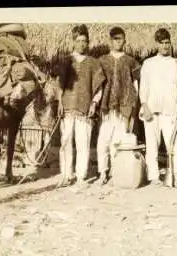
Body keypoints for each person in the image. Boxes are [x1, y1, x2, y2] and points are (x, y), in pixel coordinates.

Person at [58, 24, 106, 188]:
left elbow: (99, 87)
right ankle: (66, 175)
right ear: (73, 42)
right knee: (65, 142)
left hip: (85, 109)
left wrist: (94, 103)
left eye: (84, 41)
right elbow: (59, 85)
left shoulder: (93, 63)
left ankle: (80, 177)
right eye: (78, 41)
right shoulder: (65, 61)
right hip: (67, 107)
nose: (82, 44)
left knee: (83, 143)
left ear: (88, 42)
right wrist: (59, 103)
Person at [138, 28, 177, 187]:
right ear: (157, 44)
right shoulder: (149, 63)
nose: (165, 46)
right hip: (151, 111)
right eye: (162, 43)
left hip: (171, 111)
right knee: (152, 144)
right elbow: (143, 87)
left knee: (175, 144)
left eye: (167, 42)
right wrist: (144, 105)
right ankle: (153, 177)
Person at [97, 26, 141, 185]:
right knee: (103, 141)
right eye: (115, 39)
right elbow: (99, 85)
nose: (118, 42)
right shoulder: (102, 61)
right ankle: (103, 173)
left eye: (120, 39)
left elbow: (136, 84)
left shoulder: (130, 61)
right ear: (110, 41)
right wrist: (98, 102)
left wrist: (134, 104)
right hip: (107, 107)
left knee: (119, 142)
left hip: (124, 106)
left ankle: (117, 173)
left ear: (124, 40)